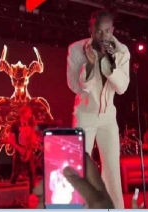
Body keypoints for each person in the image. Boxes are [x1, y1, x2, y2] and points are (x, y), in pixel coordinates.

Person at [66, 10, 130, 209]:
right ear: (90, 30)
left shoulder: (121, 52)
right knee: (80, 167)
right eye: (98, 32)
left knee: (112, 168)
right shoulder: (76, 49)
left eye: (107, 32)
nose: (102, 37)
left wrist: (110, 65)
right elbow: (75, 86)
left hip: (108, 117)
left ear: (113, 30)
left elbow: (122, 88)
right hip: (84, 115)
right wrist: (91, 64)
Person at [33, 153, 114, 209]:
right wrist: (56, 181)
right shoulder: (54, 174)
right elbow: (51, 187)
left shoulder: (70, 175)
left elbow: (71, 189)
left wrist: (64, 181)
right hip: (55, 199)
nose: (63, 170)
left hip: (66, 200)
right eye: (62, 167)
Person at [6, 105, 37, 194]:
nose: (30, 115)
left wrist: (34, 140)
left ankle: (32, 192)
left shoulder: (30, 123)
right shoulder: (15, 125)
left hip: (29, 151)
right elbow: (10, 140)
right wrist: (19, 148)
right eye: (28, 113)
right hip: (19, 151)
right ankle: (10, 192)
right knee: (15, 172)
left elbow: (32, 137)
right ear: (23, 114)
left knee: (32, 172)